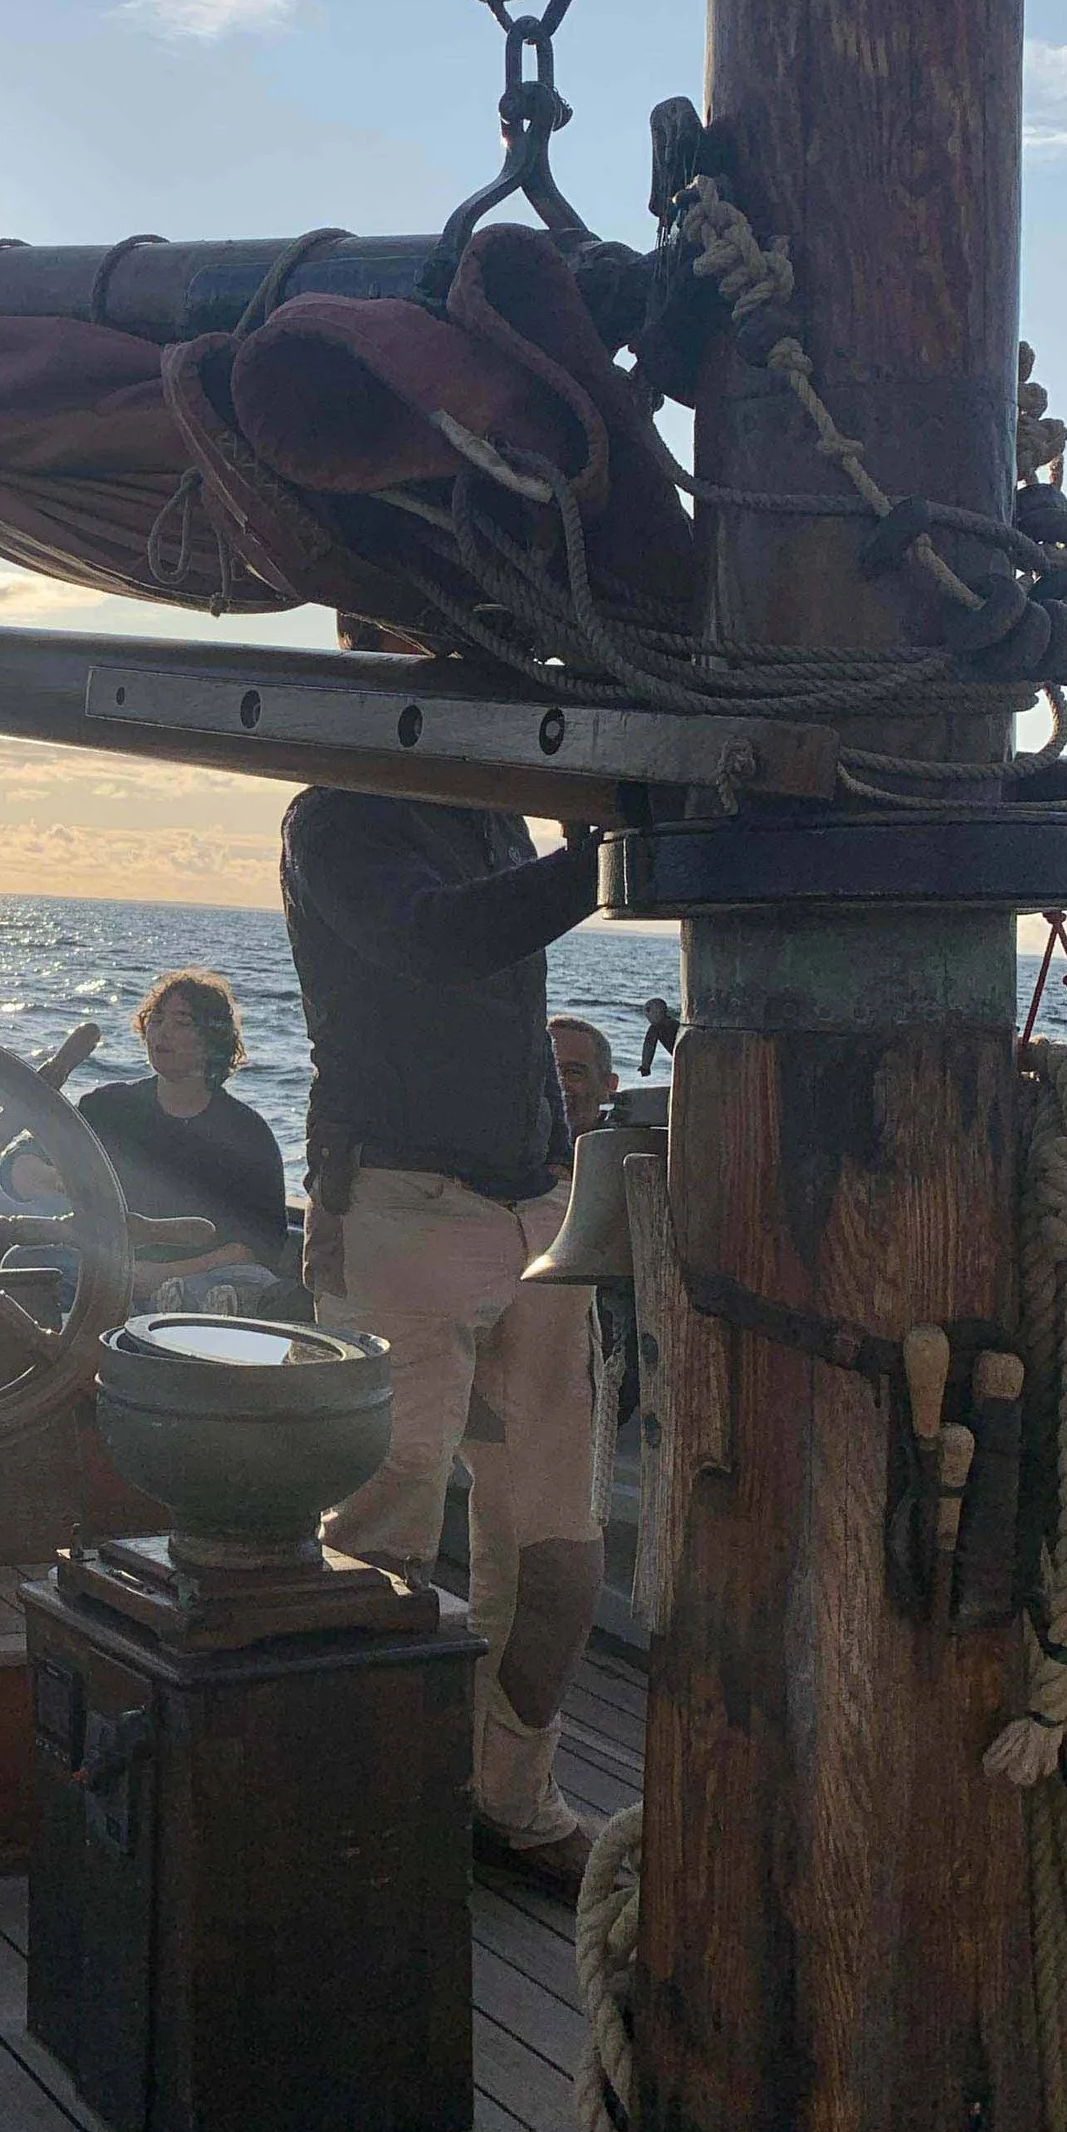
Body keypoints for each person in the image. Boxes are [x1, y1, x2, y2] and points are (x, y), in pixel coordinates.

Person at [282, 786, 604, 1900]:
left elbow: (506, 974)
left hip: (537, 1216)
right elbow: (432, 940)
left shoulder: (491, 812)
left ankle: (511, 1801)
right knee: (382, 1530)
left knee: (559, 1547)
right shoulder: (337, 816)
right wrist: (600, 858)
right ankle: (362, 1816)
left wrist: (556, 1158)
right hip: (396, 1207)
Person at [6, 970, 292, 1308]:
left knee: (253, 1282)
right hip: (107, 1268)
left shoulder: (246, 1133)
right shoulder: (108, 1107)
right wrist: (59, 1178)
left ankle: (181, 1308)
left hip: (200, 1275)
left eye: (181, 1023)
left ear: (213, 1040)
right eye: (155, 1020)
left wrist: (160, 1275)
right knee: (22, 1262)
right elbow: (17, 1164)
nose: (162, 1031)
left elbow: (261, 1245)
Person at [547, 1012, 619, 1143]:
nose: (556, 1083)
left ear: (609, 1085)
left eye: (572, 1073)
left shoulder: (624, 1148)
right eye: (546, 1072)